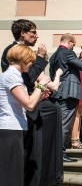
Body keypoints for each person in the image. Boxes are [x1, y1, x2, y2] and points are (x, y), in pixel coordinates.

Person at [1, 19, 64, 186]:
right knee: (13, 170)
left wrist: (39, 93)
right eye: (33, 32)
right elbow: (28, 82)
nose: (36, 36)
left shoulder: (15, 68)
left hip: (20, 118)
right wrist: (41, 59)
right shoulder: (12, 56)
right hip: (13, 122)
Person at [0, 44, 50, 186]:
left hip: (14, 128)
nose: (31, 64)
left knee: (14, 172)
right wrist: (40, 85)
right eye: (30, 61)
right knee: (11, 174)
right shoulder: (11, 76)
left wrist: (39, 96)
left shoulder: (13, 75)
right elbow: (28, 104)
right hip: (10, 129)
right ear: (23, 59)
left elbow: (26, 103)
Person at [49, 33, 82, 162]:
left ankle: (57, 151)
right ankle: (59, 153)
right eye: (73, 44)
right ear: (70, 41)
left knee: (59, 122)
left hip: (58, 91)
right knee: (63, 124)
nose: (73, 47)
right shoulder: (67, 53)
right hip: (68, 92)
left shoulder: (54, 54)